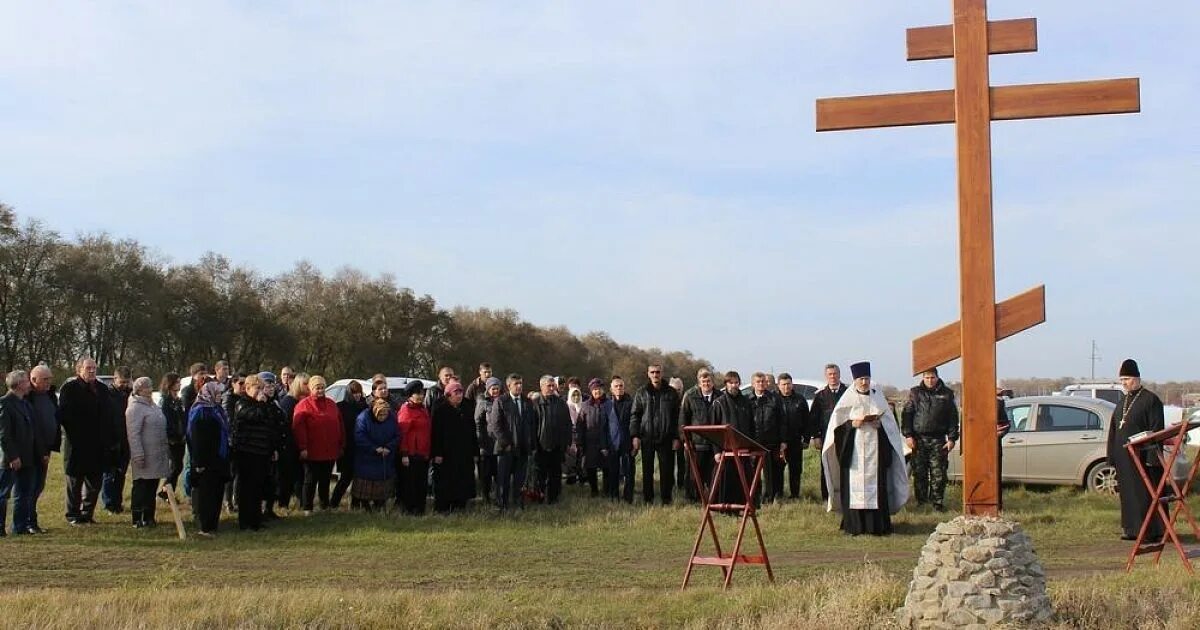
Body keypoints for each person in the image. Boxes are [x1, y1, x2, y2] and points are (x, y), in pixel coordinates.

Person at [821, 362, 908, 536]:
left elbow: (890, 426)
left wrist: (879, 424)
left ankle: (877, 526)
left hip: (875, 454)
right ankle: (855, 526)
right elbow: (836, 429)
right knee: (855, 488)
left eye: (866, 379)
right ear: (855, 380)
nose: (864, 382)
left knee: (876, 487)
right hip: (854, 455)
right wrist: (853, 423)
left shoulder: (878, 398)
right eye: (861, 379)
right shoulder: (847, 399)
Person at [1106, 359, 1166, 541]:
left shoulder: (1151, 400)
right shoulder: (1122, 402)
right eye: (1122, 379)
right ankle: (1131, 529)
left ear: (1137, 378)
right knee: (1128, 496)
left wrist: (1152, 457)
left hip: (1143, 458)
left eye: (1128, 379)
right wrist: (1112, 456)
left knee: (1144, 495)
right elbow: (1114, 430)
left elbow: (1156, 429)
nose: (1124, 383)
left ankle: (1150, 531)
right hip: (1124, 459)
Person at [57, 357, 113, 525]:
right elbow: (65, 416)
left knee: (95, 481)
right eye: (88, 368)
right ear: (79, 370)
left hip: (98, 444)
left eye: (94, 368)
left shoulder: (102, 389)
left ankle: (87, 513)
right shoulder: (70, 389)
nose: (91, 371)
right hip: (77, 443)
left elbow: (108, 414)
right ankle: (73, 514)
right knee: (74, 481)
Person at [900, 368, 960, 512]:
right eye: (927, 378)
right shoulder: (915, 393)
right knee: (919, 473)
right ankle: (922, 502)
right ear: (923, 378)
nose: (930, 380)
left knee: (938, 473)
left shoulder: (946, 394)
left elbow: (953, 418)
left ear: (937, 377)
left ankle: (937, 502)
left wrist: (952, 438)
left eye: (932, 377)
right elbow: (907, 415)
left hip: (938, 439)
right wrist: (908, 435)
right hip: (918, 439)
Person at [230, 374, 281, 531]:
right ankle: (245, 522)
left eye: (261, 388)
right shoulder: (242, 404)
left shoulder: (264, 405)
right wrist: (262, 404)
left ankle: (256, 519)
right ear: (247, 388)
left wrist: (272, 448)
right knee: (247, 489)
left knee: (258, 488)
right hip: (247, 452)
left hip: (262, 451)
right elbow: (255, 416)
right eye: (257, 388)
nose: (260, 392)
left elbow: (271, 423)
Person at [630, 363, 682, 505]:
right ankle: (648, 498)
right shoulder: (641, 392)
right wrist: (635, 436)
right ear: (648, 374)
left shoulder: (671, 393)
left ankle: (666, 498)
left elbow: (677, 417)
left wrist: (677, 437)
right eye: (652, 372)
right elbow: (635, 415)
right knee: (647, 471)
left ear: (662, 373)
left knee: (667, 471)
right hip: (647, 437)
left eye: (657, 372)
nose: (655, 375)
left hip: (666, 438)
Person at [292, 375, 344, 514]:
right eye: (317, 388)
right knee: (310, 479)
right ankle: (307, 507)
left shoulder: (332, 404)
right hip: (311, 451)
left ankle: (324, 504)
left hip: (329, 450)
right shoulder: (303, 405)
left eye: (322, 387)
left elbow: (340, 424)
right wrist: (303, 447)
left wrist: (341, 444)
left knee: (325, 480)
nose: (320, 390)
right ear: (310, 389)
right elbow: (298, 428)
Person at [187, 382, 231, 537]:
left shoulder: (216, 410)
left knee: (216, 493)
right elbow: (197, 440)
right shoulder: (201, 411)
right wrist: (199, 463)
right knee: (207, 494)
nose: (220, 396)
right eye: (217, 393)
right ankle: (205, 526)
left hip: (219, 459)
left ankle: (213, 524)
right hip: (206, 461)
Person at [126, 377, 169, 529]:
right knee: (141, 486)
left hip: (156, 453)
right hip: (144, 453)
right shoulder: (135, 408)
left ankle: (149, 516)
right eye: (146, 387)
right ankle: (137, 517)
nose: (150, 390)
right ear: (139, 390)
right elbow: (133, 433)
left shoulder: (153, 405)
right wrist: (138, 454)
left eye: (151, 386)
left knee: (152, 486)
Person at [487, 374, 534, 511]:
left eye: (520, 383)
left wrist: (530, 444)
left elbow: (531, 424)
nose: (519, 386)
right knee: (503, 479)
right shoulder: (501, 401)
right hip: (505, 448)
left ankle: (518, 504)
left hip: (523, 447)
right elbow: (495, 425)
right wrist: (505, 443)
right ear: (508, 386)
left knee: (520, 479)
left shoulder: (527, 401)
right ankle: (502, 506)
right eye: (516, 384)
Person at [711, 371, 756, 510]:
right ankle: (722, 508)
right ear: (726, 384)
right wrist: (717, 451)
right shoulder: (719, 403)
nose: (734, 385)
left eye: (736, 382)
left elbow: (752, 427)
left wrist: (752, 448)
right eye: (731, 383)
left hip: (743, 450)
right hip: (725, 450)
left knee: (744, 480)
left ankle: (744, 507)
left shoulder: (747, 402)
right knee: (724, 480)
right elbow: (713, 429)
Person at [431, 382, 478, 513]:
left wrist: (475, 451)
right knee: (446, 480)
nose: (459, 396)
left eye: (460, 392)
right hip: (446, 453)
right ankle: (443, 508)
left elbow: (473, 431)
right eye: (455, 393)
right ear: (448, 395)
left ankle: (460, 506)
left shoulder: (467, 408)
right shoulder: (441, 410)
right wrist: (437, 453)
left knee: (462, 480)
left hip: (464, 452)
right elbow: (436, 433)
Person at [0, 370, 37, 536]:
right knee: (3, 494)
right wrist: (13, 456)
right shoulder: (5, 403)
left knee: (23, 493)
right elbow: (4, 434)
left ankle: (19, 527)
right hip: (10, 459)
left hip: (27, 457)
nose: (29, 384)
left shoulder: (25, 403)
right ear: (19, 384)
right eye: (27, 381)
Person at [27, 365, 60, 534]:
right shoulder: (27, 398)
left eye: (50, 379)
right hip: (32, 450)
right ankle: (28, 522)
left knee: (39, 486)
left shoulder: (49, 395)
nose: (48, 382)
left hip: (46, 448)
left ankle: (31, 521)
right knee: (30, 487)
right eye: (45, 379)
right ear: (33, 380)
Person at [680, 368, 721, 501]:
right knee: (694, 475)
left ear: (713, 382)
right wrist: (685, 439)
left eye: (708, 381)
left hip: (714, 443)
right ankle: (694, 500)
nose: (706, 384)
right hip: (696, 443)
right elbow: (683, 419)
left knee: (713, 474)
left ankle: (713, 498)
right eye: (703, 381)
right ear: (699, 383)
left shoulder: (720, 397)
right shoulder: (690, 395)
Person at [531, 376, 573, 504]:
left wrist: (567, 442)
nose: (551, 388)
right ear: (541, 386)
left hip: (557, 446)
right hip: (540, 446)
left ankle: (554, 499)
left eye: (552, 385)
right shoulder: (535, 404)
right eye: (548, 386)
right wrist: (532, 445)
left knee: (555, 474)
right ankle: (539, 498)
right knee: (540, 476)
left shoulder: (561, 403)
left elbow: (567, 424)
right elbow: (531, 426)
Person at [809, 364, 847, 501]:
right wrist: (816, 436)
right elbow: (813, 418)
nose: (833, 377)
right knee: (826, 466)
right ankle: (827, 496)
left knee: (845, 465)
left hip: (845, 436)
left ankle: (845, 494)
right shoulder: (820, 396)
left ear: (839, 374)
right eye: (830, 374)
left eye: (835, 374)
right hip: (826, 436)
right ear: (826, 376)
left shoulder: (848, 393)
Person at [353, 398, 399, 512]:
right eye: (380, 414)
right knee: (365, 485)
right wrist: (374, 448)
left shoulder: (392, 418)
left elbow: (397, 435)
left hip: (385, 456)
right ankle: (365, 506)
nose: (383, 417)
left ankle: (379, 506)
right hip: (367, 457)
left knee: (383, 483)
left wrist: (389, 447)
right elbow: (360, 436)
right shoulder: (363, 418)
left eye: (385, 414)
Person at [748, 372, 787, 503]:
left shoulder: (774, 399)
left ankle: (769, 498)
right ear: (753, 384)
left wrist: (783, 441)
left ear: (766, 383)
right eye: (758, 382)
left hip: (771, 442)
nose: (760, 384)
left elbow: (782, 421)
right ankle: (755, 497)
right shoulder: (747, 400)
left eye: (763, 381)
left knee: (770, 473)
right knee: (753, 472)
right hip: (753, 442)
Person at [101, 366, 133, 515]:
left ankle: (117, 502)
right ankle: (108, 503)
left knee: (121, 473)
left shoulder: (129, 394)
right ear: (114, 379)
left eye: (127, 382)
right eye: (122, 382)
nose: (124, 385)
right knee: (110, 474)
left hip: (126, 438)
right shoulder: (107, 395)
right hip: (112, 439)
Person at [397, 380, 432, 515]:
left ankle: (420, 509)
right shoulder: (406, 410)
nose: (421, 396)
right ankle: (409, 510)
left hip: (422, 452)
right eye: (417, 394)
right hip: (411, 453)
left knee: (421, 483)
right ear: (410, 396)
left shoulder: (422, 409)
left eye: (422, 393)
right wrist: (404, 453)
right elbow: (402, 433)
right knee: (410, 483)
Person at [276, 372, 309, 511]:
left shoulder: (302, 401)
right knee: (287, 477)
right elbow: (286, 426)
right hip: (288, 445)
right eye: (305, 384)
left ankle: (302, 503)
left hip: (298, 444)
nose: (308, 387)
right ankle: (283, 504)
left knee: (299, 476)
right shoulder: (288, 402)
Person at [332, 381, 367, 509]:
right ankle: (334, 502)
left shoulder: (364, 406)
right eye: (354, 392)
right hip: (347, 447)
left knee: (359, 477)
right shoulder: (340, 406)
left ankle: (355, 504)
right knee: (346, 477)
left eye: (359, 392)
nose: (357, 395)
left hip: (360, 447)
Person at [574, 378, 612, 497]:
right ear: (591, 391)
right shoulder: (585, 406)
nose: (597, 391)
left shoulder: (609, 404)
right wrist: (579, 442)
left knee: (607, 467)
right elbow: (580, 425)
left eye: (599, 389)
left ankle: (607, 490)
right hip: (589, 441)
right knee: (590, 467)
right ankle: (594, 490)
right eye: (595, 389)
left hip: (606, 440)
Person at [777, 373, 811, 500]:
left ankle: (795, 495)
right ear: (778, 385)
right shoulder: (774, 399)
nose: (786, 387)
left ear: (792, 384)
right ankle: (778, 494)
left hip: (796, 440)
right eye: (783, 384)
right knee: (778, 470)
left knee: (796, 470)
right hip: (779, 442)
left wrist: (806, 439)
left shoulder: (800, 399)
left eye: (788, 384)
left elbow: (807, 421)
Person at [605, 376, 635, 503]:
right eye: (616, 386)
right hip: (612, 443)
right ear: (611, 389)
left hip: (628, 442)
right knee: (613, 472)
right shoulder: (607, 405)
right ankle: (614, 496)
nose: (619, 388)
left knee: (629, 472)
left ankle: (628, 497)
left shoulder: (632, 403)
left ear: (624, 388)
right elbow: (603, 426)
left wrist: (635, 441)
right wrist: (604, 445)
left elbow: (635, 423)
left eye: (621, 386)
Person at [221, 372, 247, 514]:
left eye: (245, 383)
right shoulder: (228, 398)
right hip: (231, 440)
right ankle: (228, 502)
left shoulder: (244, 398)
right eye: (240, 383)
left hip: (242, 439)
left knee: (239, 472)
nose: (243, 386)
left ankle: (237, 500)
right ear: (233, 384)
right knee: (231, 473)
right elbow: (229, 421)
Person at [159, 373, 187, 500]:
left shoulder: (178, 400)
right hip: (171, 439)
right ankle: (165, 489)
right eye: (177, 382)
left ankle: (169, 493)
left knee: (178, 466)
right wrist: (170, 434)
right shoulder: (165, 401)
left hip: (181, 438)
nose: (179, 384)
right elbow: (165, 419)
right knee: (175, 466)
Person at [474, 377, 503, 502]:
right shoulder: (482, 402)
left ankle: (499, 496)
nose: (495, 391)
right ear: (488, 389)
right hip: (486, 442)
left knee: (499, 472)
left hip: (499, 442)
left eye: (497, 388)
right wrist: (481, 440)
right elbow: (478, 422)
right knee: (486, 473)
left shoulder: (503, 401)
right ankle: (486, 497)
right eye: (493, 388)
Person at [669, 376, 688, 493]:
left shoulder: (686, 400)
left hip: (682, 436)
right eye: (675, 389)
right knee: (669, 463)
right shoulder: (666, 401)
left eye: (679, 389)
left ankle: (681, 485)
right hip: (669, 436)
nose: (677, 392)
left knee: (682, 463)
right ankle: (670, 485)